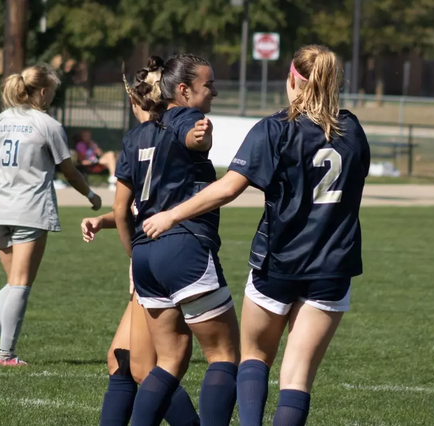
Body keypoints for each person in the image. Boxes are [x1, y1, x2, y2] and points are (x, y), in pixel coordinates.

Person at [143, 44, 370, 426]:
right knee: (297, 377)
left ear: (293, 81)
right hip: (332, 267)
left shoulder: (275, 128)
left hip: (279, 262)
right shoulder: (353, 130)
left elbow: (229, 187)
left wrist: (172, 214)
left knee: (254, 358)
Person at [113, 54, 239, 426]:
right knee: (224, 355)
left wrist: (133, 256)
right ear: (183, 91)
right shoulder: (185, 116)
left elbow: (122, 212)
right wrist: (200, 136)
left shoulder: (135, 136)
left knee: (167, 362)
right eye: (208, 84)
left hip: (146, 255)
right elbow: (193, 134)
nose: (214, 90)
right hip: (183, 246)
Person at [82, 62, 206, 426]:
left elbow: (129, 211)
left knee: (142, 367)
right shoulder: (159, 138)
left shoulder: (146, 139)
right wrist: (102, 221)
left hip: (153, 260)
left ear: (138, 102)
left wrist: (134, 257)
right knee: (120, 359)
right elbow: (135, 210)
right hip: (166, 254)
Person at [0, 64, 102, 367]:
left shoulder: (1, 120)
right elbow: (68, 170)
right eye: (53, 92)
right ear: (43, 91)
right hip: (29, 209)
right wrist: (90, 194)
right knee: (21, 283)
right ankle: (7, 355)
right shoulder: (48, 124)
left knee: (11, 282)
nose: (53, 98)